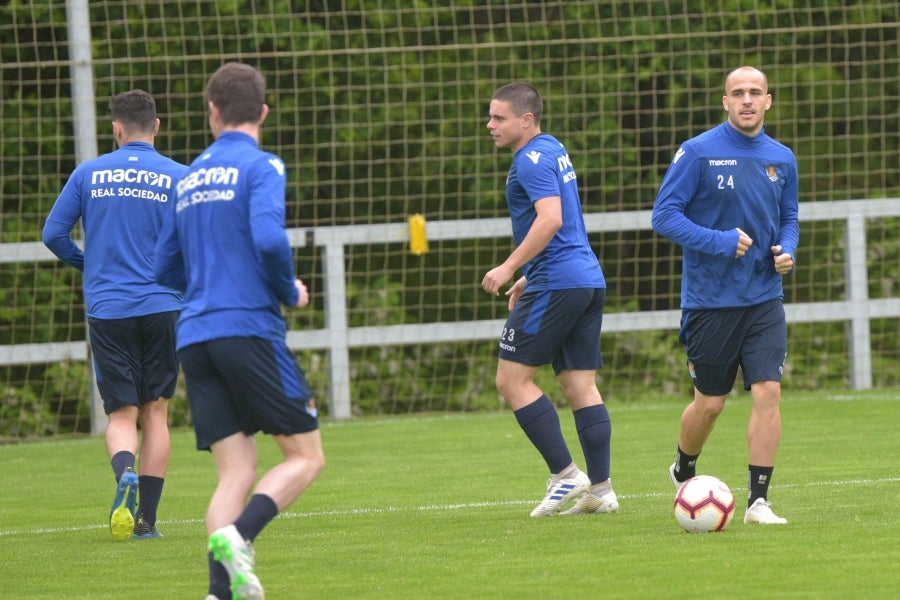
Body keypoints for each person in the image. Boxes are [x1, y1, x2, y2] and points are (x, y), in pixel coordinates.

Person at [154, 62, 325, 600]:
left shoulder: (188, 179)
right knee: (305, 456)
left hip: (195, 336)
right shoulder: (262, 166)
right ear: (264, 112)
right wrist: (286, 289)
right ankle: (240, 534)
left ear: (212, 113)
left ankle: (218, 592)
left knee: (236, 472)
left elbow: (163, 268)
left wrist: (207, 280)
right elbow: (271, 241)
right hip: (246, 328)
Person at [651, 66, 799, 525]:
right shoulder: (697, 152)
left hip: (763, 298)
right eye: (738, 93)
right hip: (711, 301)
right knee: (711, 403)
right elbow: (663, 216)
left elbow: (790, 218)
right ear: (725, 102)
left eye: (755, 92)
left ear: (768, 101)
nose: (747, 100)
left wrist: (786, 250)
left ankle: (758, 501)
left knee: (768, 391)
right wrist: (719, 240)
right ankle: (684, 468)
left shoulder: (783, 158)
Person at [42, 89, 186, 541]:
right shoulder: (180, 176)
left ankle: (125, 471)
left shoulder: (89, 173)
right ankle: (146, 521)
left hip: (109, 309)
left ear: (116, 129)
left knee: (122, 415)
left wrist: (91, 263)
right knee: (156, 413)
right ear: (157, 126)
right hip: (164, 306)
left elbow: (53, 233)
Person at [482, 82, 618, 518]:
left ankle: (565, 475)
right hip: (583, 279)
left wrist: (508, 268)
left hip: (558, 282)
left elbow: (551, 219)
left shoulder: (529, 161)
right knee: (579, 383)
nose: (490, 125)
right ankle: (601, 489)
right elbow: (562, 224)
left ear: (527, 119)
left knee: (511, 380)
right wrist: (529, 274)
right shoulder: (552, 148)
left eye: (499, 118)